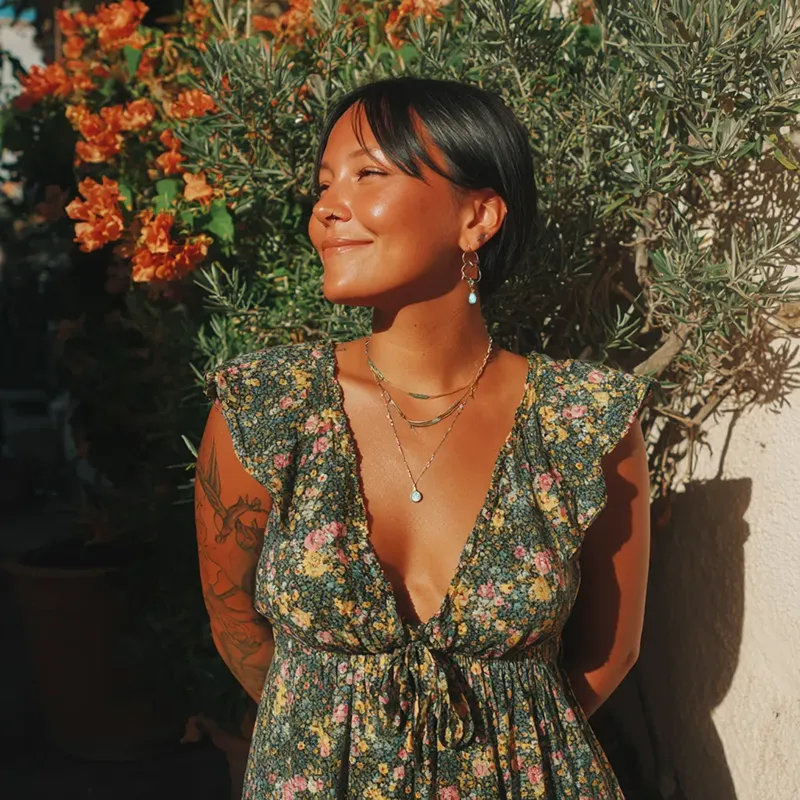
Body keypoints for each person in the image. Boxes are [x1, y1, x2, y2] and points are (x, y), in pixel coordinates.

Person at [195, 76, 655, 800]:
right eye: (324, 184)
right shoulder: (268, 409)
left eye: (368, 174)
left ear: (478, 216)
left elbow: (610, 650)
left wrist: (496, 748)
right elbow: (234, 624)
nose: (326, 209)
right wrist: (328, 728)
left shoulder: (583, 420)